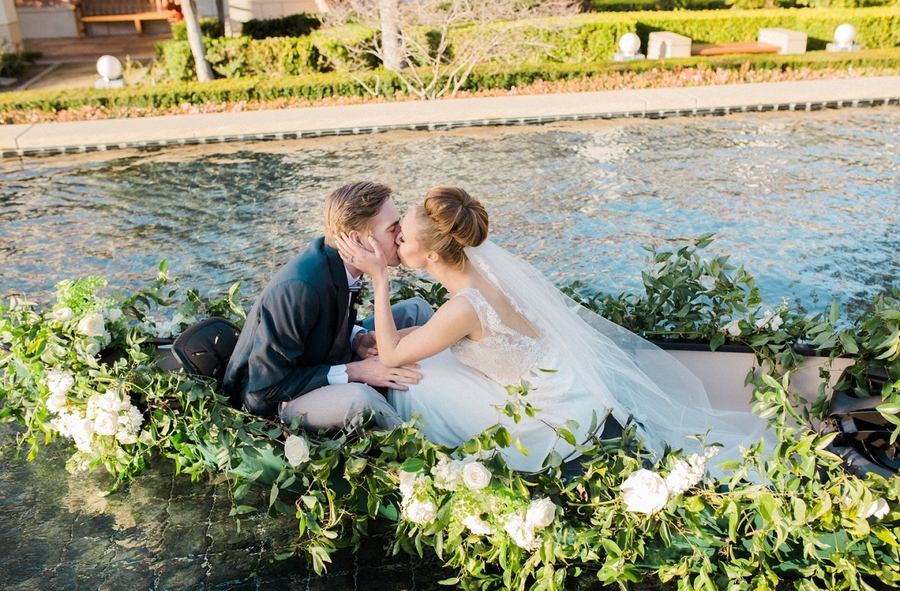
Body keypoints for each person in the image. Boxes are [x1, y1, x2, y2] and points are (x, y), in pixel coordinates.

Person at [335, 186, 776, 473]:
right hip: (570, 388)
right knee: (424, 358)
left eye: (403, 239)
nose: (395, 244)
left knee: (418, 386)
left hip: (549, 418)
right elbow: (446, 333)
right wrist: (399, 338)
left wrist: (379, 278)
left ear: (431, 256)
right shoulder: (480, 280)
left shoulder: (464, 305)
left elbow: (395, 356)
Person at [223, 181, 433, 431]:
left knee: (415, 311)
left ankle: (432, 397)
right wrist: (357, 371)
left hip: (321, 359)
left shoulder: (344, 262)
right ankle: (422, 448)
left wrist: (356, 337)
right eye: (392, 228)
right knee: (361, 401)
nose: (401, 235)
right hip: (277, 401)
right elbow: (267, 386)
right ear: (357, 240)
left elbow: (326, 322)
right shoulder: (300, 288)